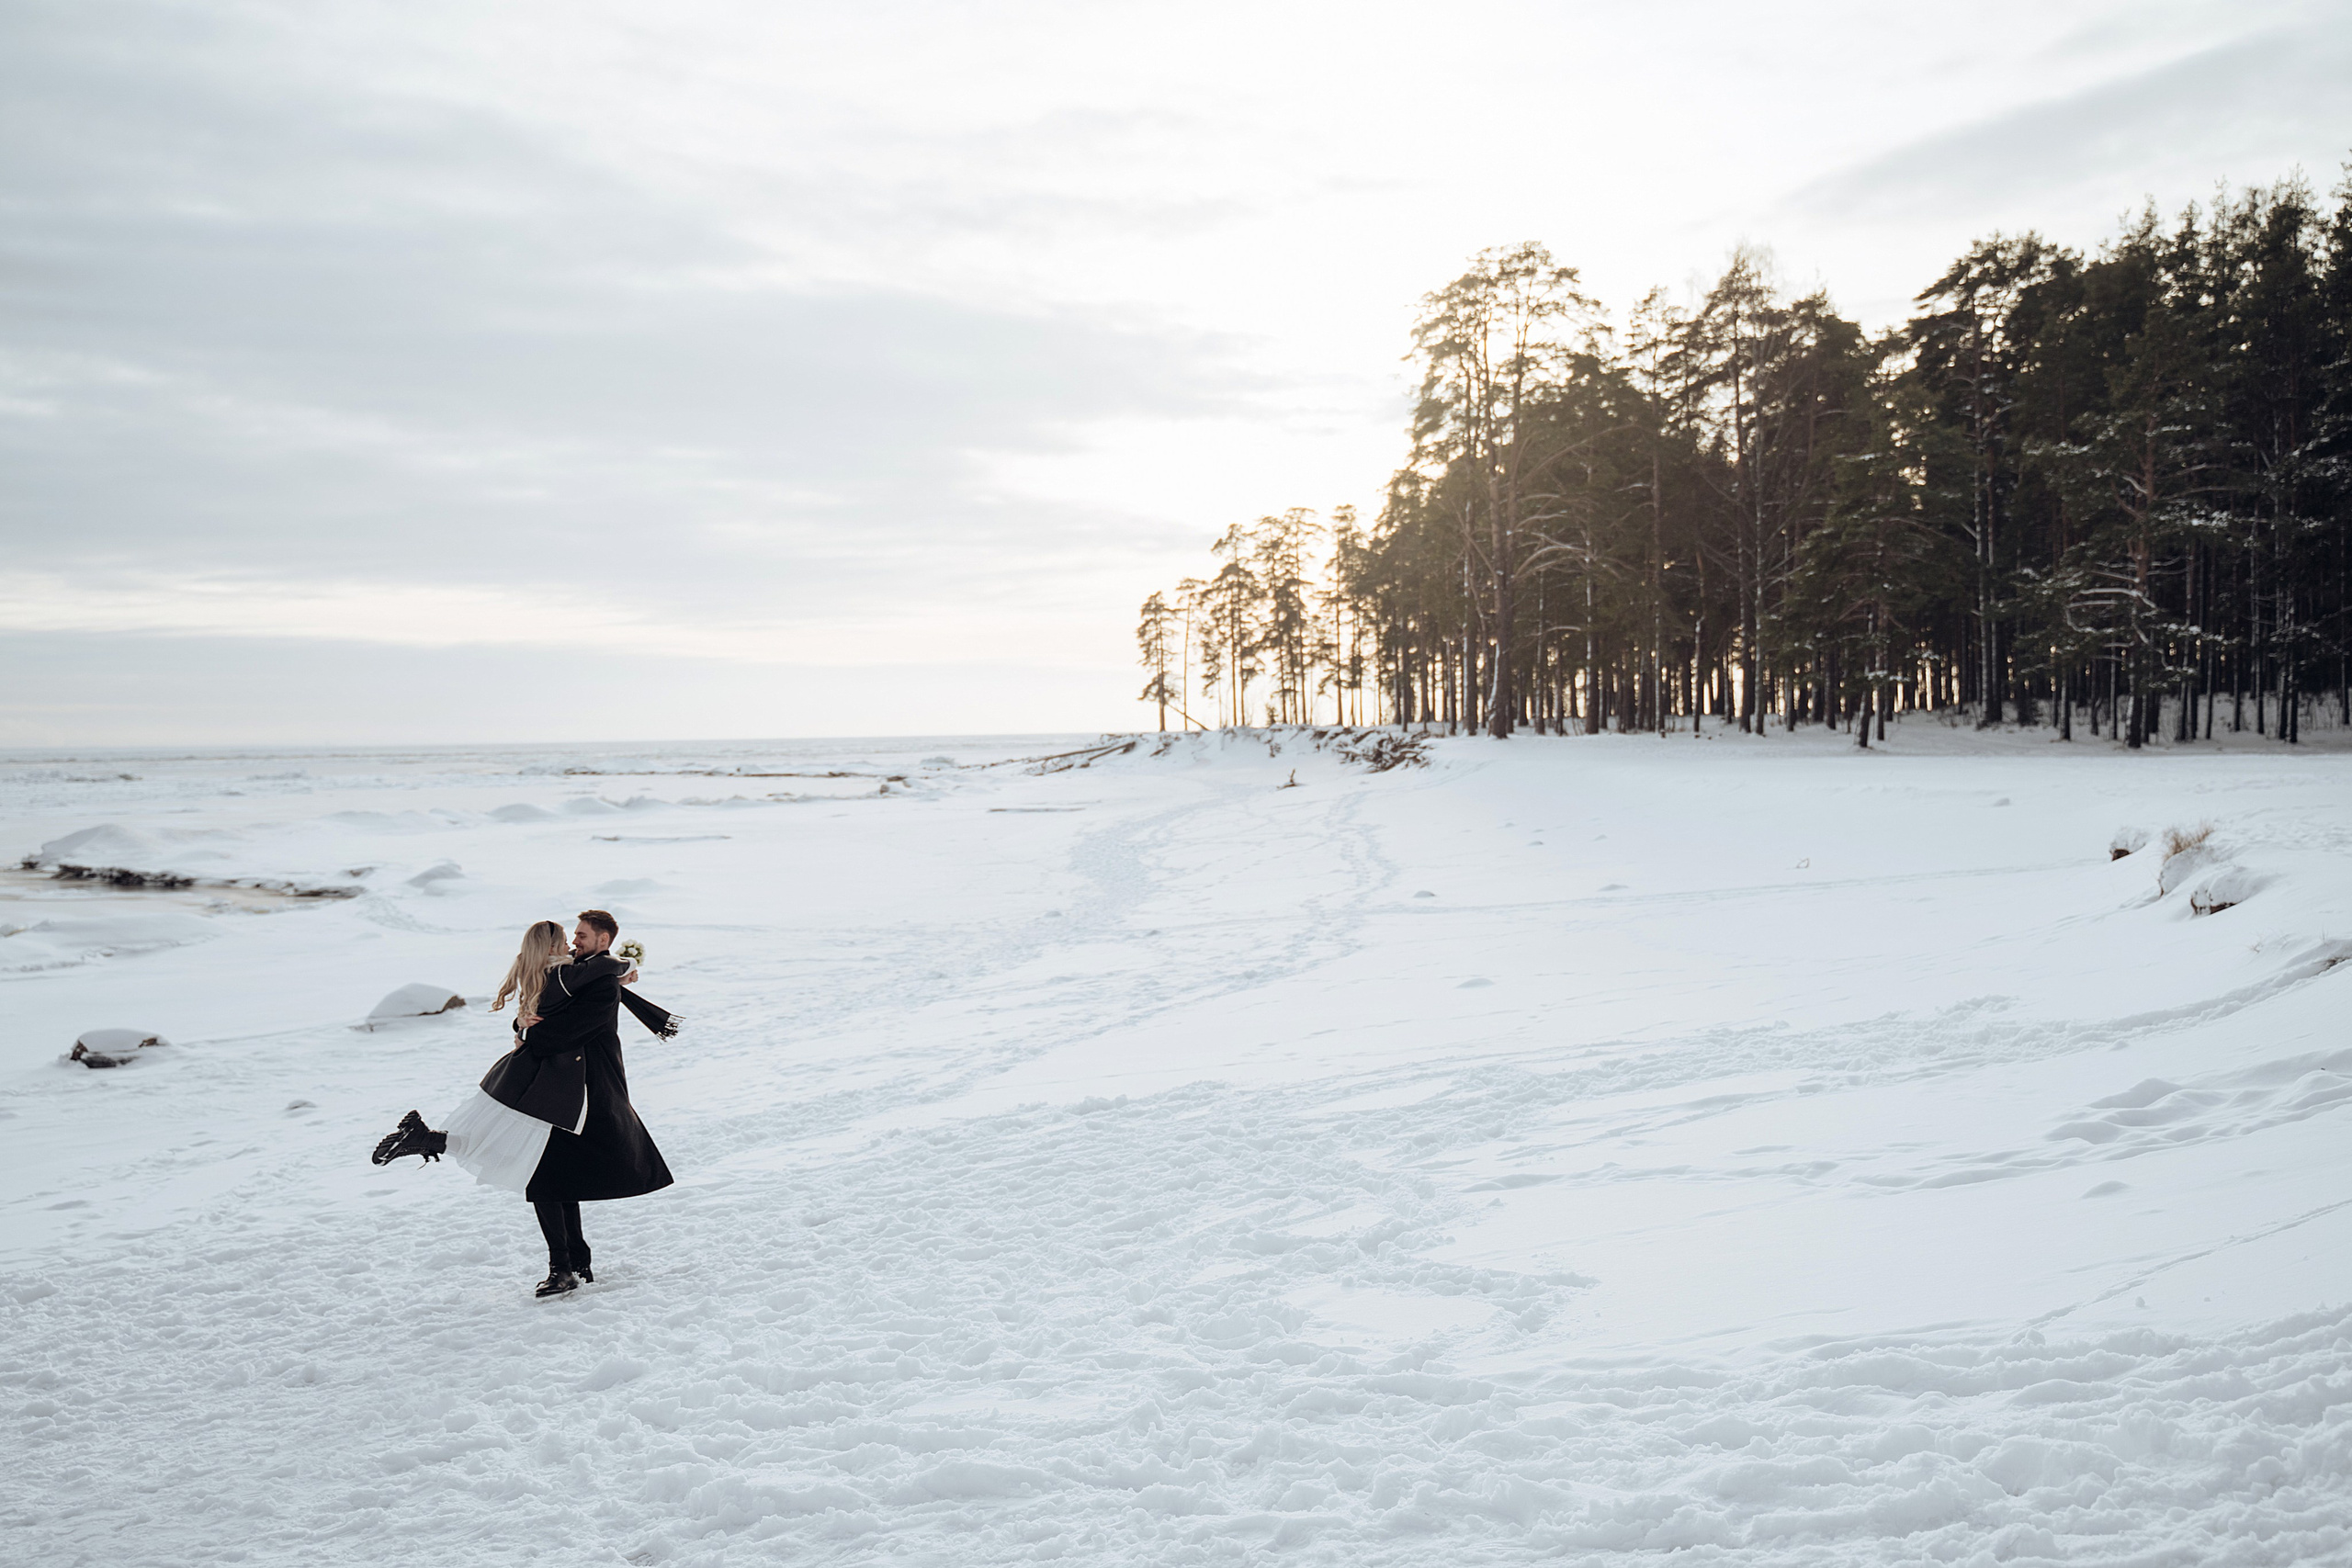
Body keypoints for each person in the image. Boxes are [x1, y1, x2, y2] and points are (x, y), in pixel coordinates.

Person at [371, 909, 680, 1298]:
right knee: (543, 1174)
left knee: (546, 1174)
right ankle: (567, 1265)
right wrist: (524, 1026)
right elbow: (552, 1019)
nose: (573, 943)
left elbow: (565, 1028)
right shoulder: (573, 974)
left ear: (602, 940)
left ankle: (570, 1264)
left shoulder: (584, 976)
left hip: (574, 1093)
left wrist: (531, 1029)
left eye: (581, 936)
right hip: (555, 1092)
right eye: (571, 937)